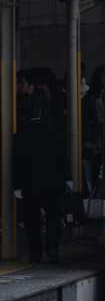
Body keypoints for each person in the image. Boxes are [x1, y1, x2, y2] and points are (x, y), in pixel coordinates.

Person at [13, 91, 70, 263]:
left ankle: (35, 253)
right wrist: (68, 178)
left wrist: (17, 186)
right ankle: (52, 249)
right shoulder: (55, 131)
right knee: (53, 217)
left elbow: (17, 162)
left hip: (30, 184)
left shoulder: (20, 135)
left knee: (32, 221)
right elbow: (63, 157)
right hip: (54, 183)